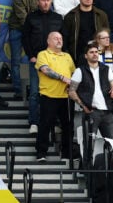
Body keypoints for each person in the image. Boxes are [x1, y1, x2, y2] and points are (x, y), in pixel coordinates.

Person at [35, 31, 75, 162]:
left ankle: (66, 154)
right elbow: (46, 70)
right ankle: (41, 153)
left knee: (68, 126)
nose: (59, 40)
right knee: (45, 124)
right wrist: (63, 78)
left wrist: (73, 86)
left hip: (66, 96)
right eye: (56, 38)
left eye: (61, 38)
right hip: (49, 95)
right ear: (48, 41)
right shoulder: (43, 54)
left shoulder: (67, 56)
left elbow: (74, 74)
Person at [69, 41, 113, 140]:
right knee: (89, 144)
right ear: (86, 56)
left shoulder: (106, 69)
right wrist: (83, 106)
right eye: (91, 52)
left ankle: (112, 157)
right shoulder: (80, 70)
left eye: (96, 52)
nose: (95, 54)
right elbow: (71, 91)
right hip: (91, 111)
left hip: (106, 111)